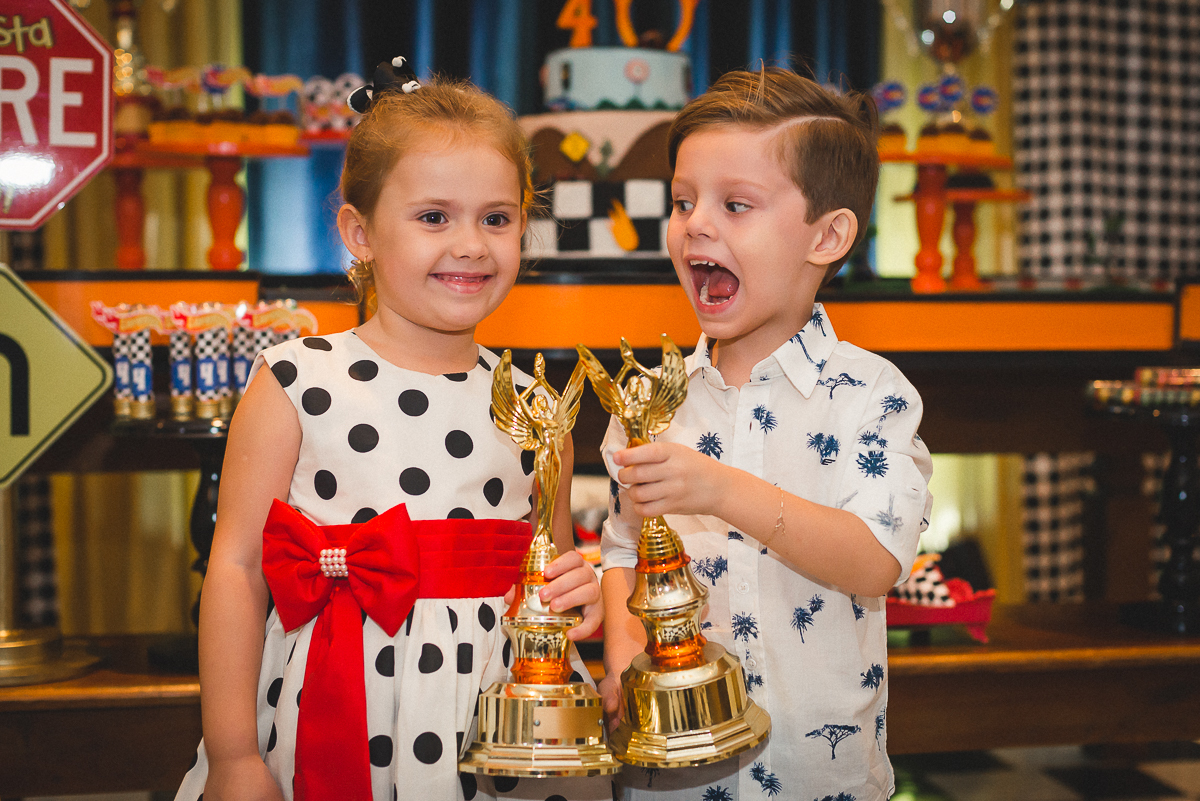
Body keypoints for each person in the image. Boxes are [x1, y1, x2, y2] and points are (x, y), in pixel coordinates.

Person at [175, 61, 608, 801]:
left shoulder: (539, 406)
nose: (471, 244)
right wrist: (234, 754)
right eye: (434, 217)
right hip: (339, 710)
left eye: (497, 218)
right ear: (360, 232)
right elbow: (238, 571)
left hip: (502, 732)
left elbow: (551, 571)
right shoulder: (295, 381)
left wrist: (579, 593)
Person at [598, 67, 934, 801]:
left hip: (820, 779)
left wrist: (719, 489)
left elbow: (874, 561)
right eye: (683, 201)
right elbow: (622, 550)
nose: (696, 224)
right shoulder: (649, 398)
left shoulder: (873, 397)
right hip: (671, 780)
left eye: (736, 204)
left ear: (828, 235)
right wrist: (624, 654)